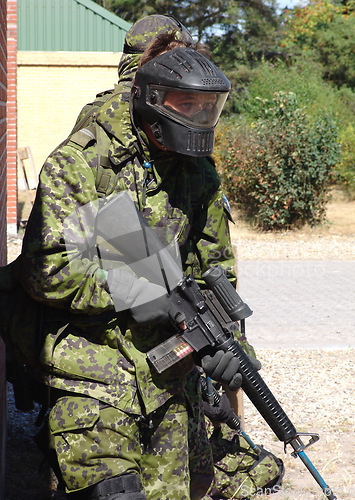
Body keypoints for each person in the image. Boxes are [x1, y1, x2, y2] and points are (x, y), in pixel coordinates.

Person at [18, 20, 248, 499]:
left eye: (208, 108)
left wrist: (230, 350)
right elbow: (47, 270)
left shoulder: (197, 172)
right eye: (188, 106)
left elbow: (217, 267)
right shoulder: (82, 163)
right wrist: (131, 290)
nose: (200, 119)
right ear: (153, 99)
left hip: (169, 376)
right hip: (94, 372)